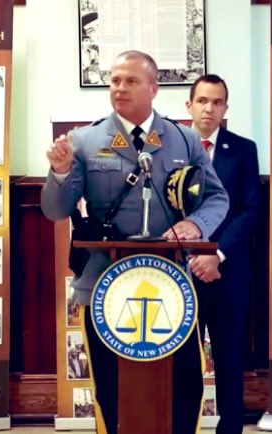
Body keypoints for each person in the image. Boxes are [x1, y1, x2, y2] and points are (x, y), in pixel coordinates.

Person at [40, 50, 229, 434]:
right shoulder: (87, 139)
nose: (120, 88)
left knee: (184, 378)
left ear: (154, 88)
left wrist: (195, 224)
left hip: (173, 280)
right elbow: (54, 209)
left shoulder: (183, 140)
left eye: (131, 81)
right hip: (104, 278)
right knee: (109, 382)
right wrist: (60, 172)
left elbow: (217, 197)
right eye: (115, 80)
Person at [185, 73, 260, 434]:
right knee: (184, 359)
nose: (209, 108)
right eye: (202, 101)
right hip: (183, 270)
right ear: (189, 105)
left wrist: (217, 256)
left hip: (229, 270)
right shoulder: (172, 148)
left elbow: (250, 210)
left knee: (230, 358)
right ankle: (183, 425)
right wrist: (192, 257)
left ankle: (230, 428)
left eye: (217, 102)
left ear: (225, 108)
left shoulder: (243, 149)